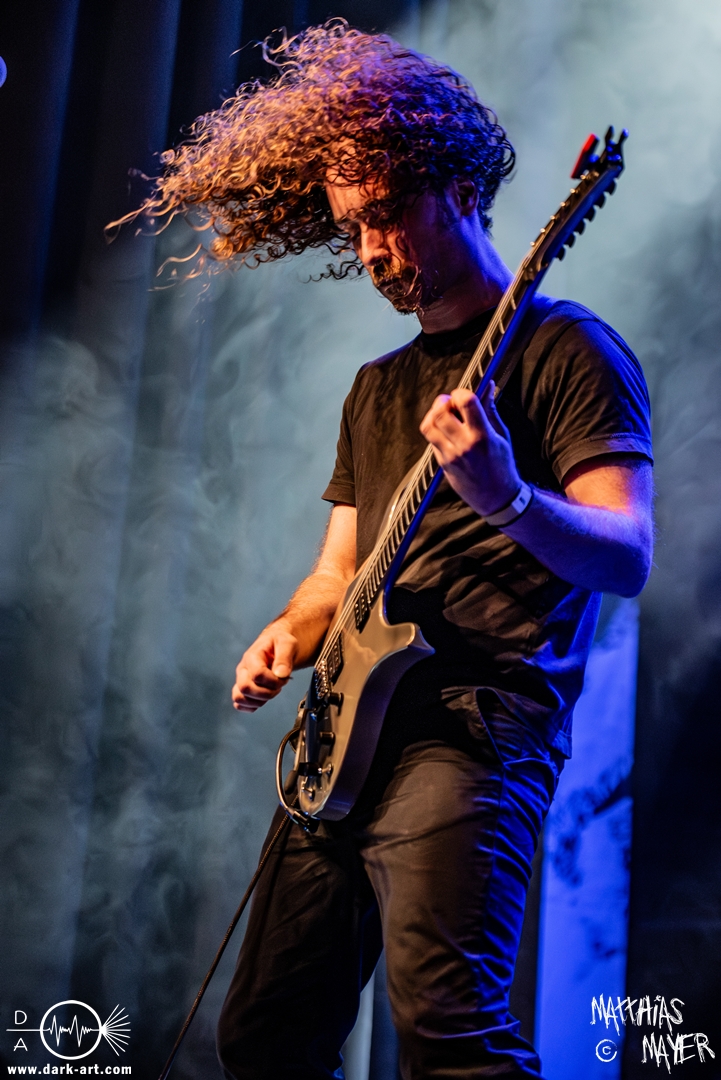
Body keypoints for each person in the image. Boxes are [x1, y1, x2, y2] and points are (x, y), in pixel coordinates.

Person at [136, 22, 654, 1079]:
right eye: (352, 229)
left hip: (469, 737)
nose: (371, 252)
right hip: (342, 742)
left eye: (384, 215)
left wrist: (507, 497)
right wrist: (287, 634)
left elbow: (625, 554)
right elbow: (336, 575)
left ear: (458, 187)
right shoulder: (374, 389)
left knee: (447, 1038)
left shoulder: (569, 351)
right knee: (261, 1038)